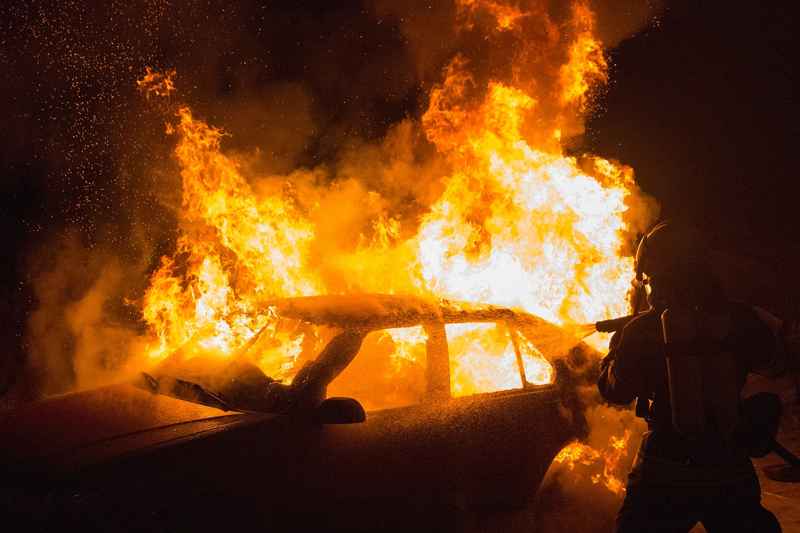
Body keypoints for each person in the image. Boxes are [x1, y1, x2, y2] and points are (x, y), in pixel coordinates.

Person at [598, 221, 784, 532]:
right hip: (727, 463)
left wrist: (611, 354)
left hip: (664, 469)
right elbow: (773, 363)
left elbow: (616, 392)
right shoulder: (739, 318)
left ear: (653, 273)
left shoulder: (640, 330)